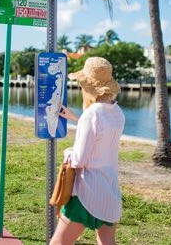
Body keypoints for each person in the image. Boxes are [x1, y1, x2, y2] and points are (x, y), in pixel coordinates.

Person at [50, 57, 125, 245]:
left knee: (58, 243)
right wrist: (78, 119)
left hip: (86, 194)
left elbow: (79, 160)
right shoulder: (117, 113)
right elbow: (101, 134)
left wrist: (67, 152)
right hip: (109, 192)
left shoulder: (92, 114)